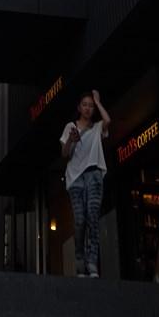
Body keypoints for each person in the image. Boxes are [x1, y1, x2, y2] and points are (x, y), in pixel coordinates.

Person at [60, 89, 111, 277]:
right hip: (75, 178)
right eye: (85, 105)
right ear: (79, 108)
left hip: (94, 175)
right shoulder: (70, 127)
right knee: (80, 221)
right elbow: (65, 154)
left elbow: (108, 121)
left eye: (91, 105)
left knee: (93, 218)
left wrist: (98, 102)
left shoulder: (98, 127)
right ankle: (80, 258)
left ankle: (92, 263)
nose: (88, 108)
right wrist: (71, 141)